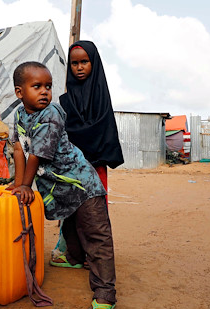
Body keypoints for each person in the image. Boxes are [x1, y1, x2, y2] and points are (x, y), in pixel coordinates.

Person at [10, 61, 117, 309]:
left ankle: (105, 293)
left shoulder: (52, 113)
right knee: (70, 223)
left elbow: (36, 154)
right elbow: (18, 149)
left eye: (48, 86)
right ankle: (73, 257)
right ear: (19, 92)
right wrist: (17, 183)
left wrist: (26, 185)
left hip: (82, 184)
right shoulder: (18, 116)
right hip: (61, 188)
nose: (45, 92)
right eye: (37, 86)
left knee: (96, 235)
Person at [50, 40, 124, 267]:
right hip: (72, 166)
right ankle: (75, 254)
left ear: (94, 63)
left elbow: (103, 130)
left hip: (95, 165)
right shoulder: (65, 100)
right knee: (70, 209)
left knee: (94, 213)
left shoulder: (101, 98)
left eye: (84, 62)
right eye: (74, 63)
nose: (79, 67)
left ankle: (95, 258)